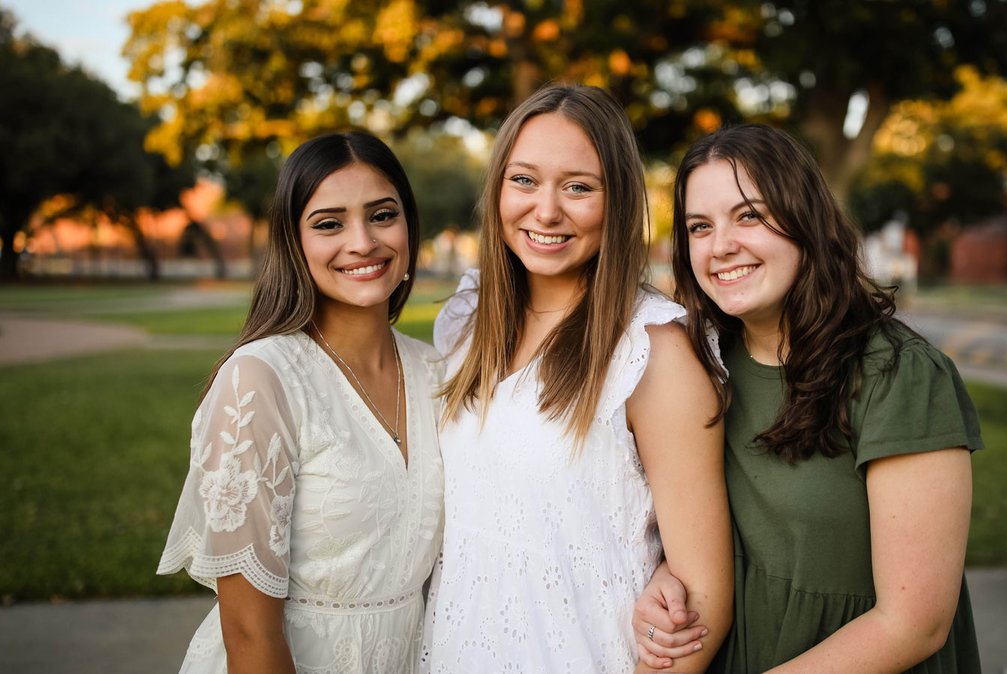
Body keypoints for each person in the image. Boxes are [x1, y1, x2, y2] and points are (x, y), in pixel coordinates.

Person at [634, 124, 984, 673]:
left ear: (806, 220)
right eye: (700, 227)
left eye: (749, 215)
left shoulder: (897, 374)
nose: (721, 246)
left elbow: (915, 622)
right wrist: (666, 576)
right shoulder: (701, 368)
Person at [422, 84, 732, 673]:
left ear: (616, 202)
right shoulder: (468, 324)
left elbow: (704, 597)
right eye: (524, 181)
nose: (546, 210)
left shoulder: (653, 351)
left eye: (578, 187)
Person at [157, 131, 444, 673]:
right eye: (329, 223)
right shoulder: (262, 379)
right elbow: (247, 632)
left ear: (409, 225)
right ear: (294, 242)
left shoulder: (437, 373)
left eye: (382, 215)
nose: (361, 242)